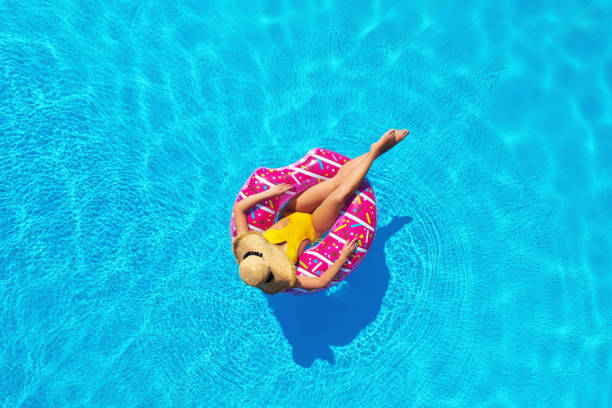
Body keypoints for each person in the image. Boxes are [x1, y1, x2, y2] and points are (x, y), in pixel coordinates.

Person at [232, 128, 409, 294]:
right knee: (338, 197)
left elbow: (240, 209)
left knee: (335, 182)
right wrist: (343, 257)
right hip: (315, 226)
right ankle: (376, 150)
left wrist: (269, 193)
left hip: (293, 210)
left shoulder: (248, 247)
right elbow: (321, 283)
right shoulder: (283, 279)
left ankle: (376, 151)